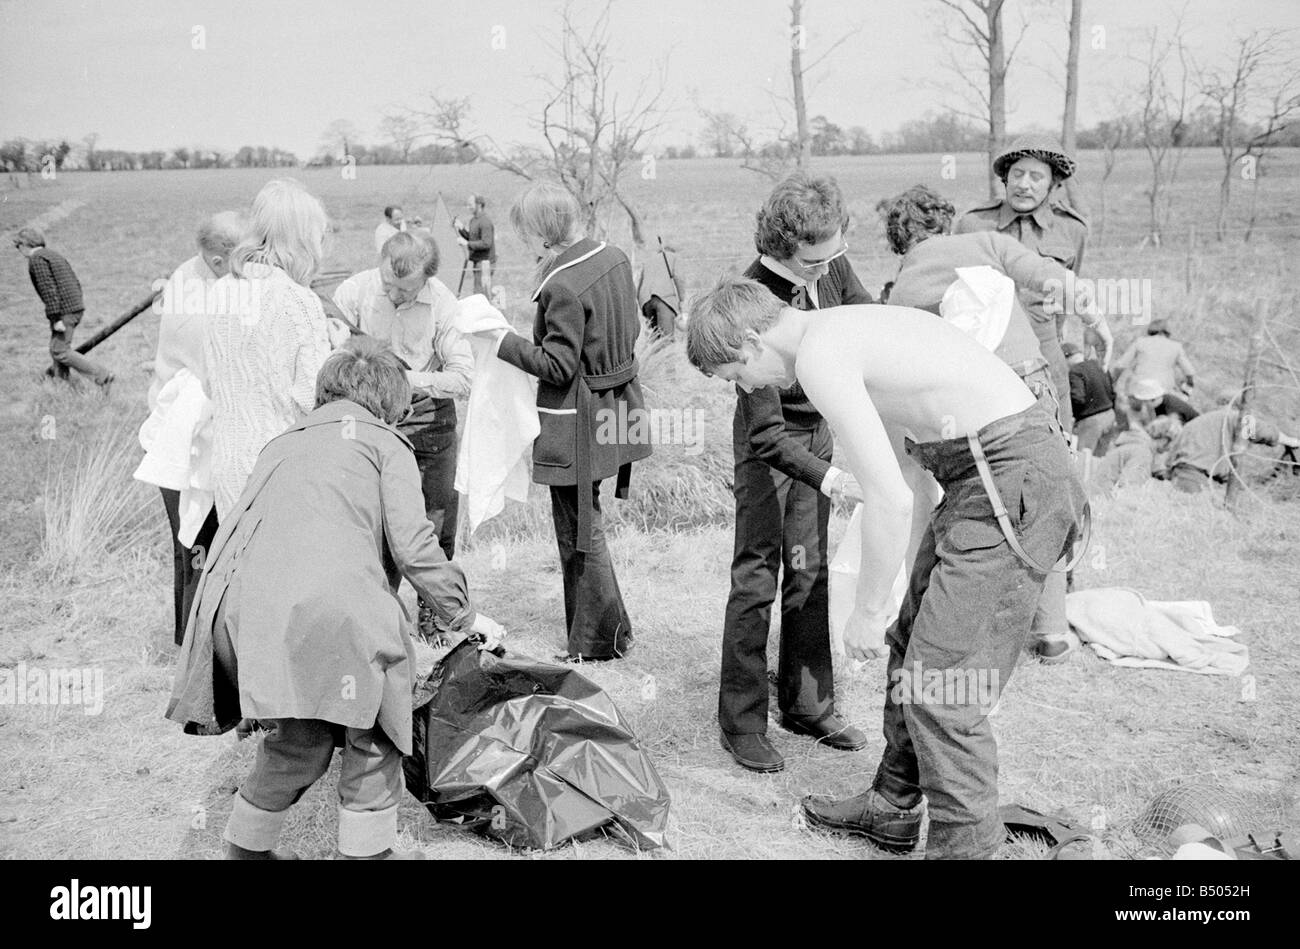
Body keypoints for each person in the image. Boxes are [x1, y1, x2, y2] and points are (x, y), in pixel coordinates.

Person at [686, 276, 1085, 860]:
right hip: (975, 479)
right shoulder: (846, 333)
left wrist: (867, 611)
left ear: (750, 340)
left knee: (943, 687)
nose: (747, 388)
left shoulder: (823, 355)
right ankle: (893, 809)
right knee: (914, 647)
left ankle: (963, 853)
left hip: (1011, 480)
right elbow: (915, 481)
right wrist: (907, 591)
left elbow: (887, 499)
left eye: (735, 375)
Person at [166, 337, 507, 860]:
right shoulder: (385, 444)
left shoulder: (281, 442)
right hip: (339, 611)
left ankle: (246, 853)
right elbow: (415, 547)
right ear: (391, 401)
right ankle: (366, 856)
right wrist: (465, 614)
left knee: (298, 739)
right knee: (373, 733)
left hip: (252, 612)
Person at [889, 185, 1095, 662]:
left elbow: (906, 366)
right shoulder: (984, 242)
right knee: (1049, 502)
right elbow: (1047, 274)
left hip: (972, 412)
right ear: (947, 221)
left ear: (901, 243)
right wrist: (1081, 297)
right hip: (1031, 386)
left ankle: (965, 631)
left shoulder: (903, 287)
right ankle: (1051, 632)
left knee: (979, 514)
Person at [713, 172, 875, 774]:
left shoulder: (827, 259)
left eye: (835, 254)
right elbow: (765, 435)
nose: (829, 268)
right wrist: (832, 479)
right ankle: (744, 720)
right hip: (770, 443)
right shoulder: (750, 299)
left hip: (819, 429)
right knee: (758, 576)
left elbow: (862, 316)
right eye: (815, 261)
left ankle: (809, 704)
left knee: (810, 569)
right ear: (781, 249)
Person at [467, 181, 650, 661]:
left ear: (541, 233)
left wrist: (500, 341)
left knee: (578, 527)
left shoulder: (562, 285)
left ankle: (597, 642)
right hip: (620, 405)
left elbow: (558, 366)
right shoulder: (614, 258)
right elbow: (627, 331)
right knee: (588, 521)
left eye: (525, 231)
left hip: (579, 419)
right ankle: (612, 632)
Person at [332, 231, 473, 567]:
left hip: (428, 425)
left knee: (435, 530)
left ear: (427, 279)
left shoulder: (443, 305)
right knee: (371, 530)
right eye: (388, 284)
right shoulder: (352, 293)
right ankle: (379, 613)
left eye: (405, 290)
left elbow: (464, 379)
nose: (393, 294)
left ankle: (437, 617)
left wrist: (404, 380)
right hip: (368, 424)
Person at [204, 179, 333, 521]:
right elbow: (313, 398)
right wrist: (333, 351)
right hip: (281, 465)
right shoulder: (296, 300)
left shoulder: (221, 290)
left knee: (241, 565)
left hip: (228, 461)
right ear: (303, 238)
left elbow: (211, 379)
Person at [955, 134, 1098, 433]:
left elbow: (1072, 295)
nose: (1024, 184)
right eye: (1017, 174)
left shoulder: (1072, 230)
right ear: (1005, 179)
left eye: (1036, 176)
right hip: (987, 356)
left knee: (1057, 440)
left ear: (1053, 184)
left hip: (1047, 354)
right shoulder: (973, 224)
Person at [148, 211, 244, 645]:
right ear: (221, 259)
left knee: (194, 549)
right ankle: (196, 661)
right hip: (185, 443)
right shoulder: (195, 306)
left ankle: (188, 646)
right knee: (199, 547)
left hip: (191, 435)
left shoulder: (194, 274)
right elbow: (222, 371)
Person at [14, 227, 114, 389]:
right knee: (57, 348)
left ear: (25, 244)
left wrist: (56, 318)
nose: (18, 250)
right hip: (74, 307)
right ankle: (62, 386)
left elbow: (49, 290)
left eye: (17, 246)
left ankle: (102, 375)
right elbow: (74, 281)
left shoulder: (37, 259)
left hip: (64, 311)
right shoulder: (52, 255)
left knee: (59, 350)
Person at [1163, 391, 1299, 493]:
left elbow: (1170, 455)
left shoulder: (1200, 421)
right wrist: (1289, 441)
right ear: (1240, 408)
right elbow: (1263, 432)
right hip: (1194, 478)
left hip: (1178, 473)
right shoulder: (1234, 418)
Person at [1113, 318, 1196, 400]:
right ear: (1167, 331)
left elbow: (1120, 366)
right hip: (1164, 391)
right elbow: (1189, 372)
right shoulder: (1176, 346)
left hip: (1139, 390)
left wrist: (1113, 383)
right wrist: (1188, 388)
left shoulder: (1140, 342)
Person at [1065, 342, 1116, 454]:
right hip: (1109, 415)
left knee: (1084, 459)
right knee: (1101, 457)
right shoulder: (1098, 363)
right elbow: (1113, 391)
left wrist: (1074, 416)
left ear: (1067, 357)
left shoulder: (1075, 371)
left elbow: (1078, 398)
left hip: (1091, 422)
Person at [637, 237, 687, 339]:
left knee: (655, 339)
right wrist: (682, 300)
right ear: (674, 251)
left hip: (645, 301)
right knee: (666, 340)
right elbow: (679, 277)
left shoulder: (648, 261)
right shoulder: (674, 257)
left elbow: (639, 287)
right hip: (664, 298)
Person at [456, 194, 496, 295]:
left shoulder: (485, 221)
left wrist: (467, 243)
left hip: (485, 263)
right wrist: (461, 228)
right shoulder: (473, 220)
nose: (468, 207)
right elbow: (472, 238)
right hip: (477, 262)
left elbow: (486, 243)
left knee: (481, 294)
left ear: (479, 205)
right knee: (478, 292)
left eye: (470, 204)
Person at [1127, 377, 1199, 426]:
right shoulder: (1162, 399)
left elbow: (1174, 433)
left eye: (1144, 402)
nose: (1144, 405)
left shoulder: (1172, 412)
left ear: (1152, 400)